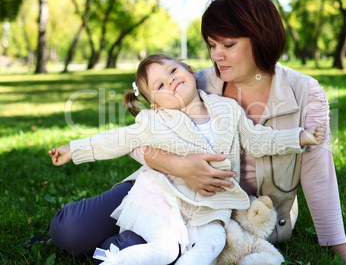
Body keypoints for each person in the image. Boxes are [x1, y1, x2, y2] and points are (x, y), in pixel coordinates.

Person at [134, 0, 346, 264]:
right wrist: (179, 167)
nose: (217, 55)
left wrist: (343, 255)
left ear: (260, 39)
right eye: (212, 45)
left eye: (228, 45)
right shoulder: (197, 83)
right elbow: (136, 139)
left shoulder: (305, 92)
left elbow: (318, 175)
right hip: (173, 205)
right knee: (79, 231)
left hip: (251, 220)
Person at [49, 53, 326, 264]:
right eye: (160, 84)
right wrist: (75, 149)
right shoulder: (154, 120)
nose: (170, 79)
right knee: (167, 247)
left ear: (190, 71)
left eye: (172, 70)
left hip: (211, 207)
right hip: (165, 200)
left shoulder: (228, 109)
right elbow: (117, 140)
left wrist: (299, 137)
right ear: (156, 103)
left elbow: (258, 139)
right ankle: (116, 257)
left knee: (213, 244)